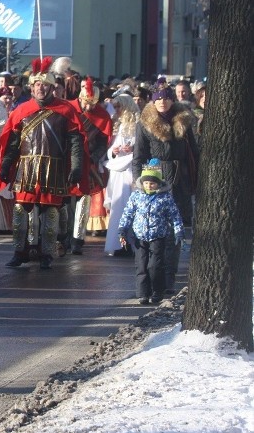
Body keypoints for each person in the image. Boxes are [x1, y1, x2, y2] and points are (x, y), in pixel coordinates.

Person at [0, 56, 86, 270]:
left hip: (53, 169)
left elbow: (76, 142)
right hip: (26, 169)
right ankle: (20, 252)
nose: (41, 89)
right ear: (32, 87)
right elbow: (12, 143)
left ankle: (47, 254)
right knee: (20, 212)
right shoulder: (21, 111)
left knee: (50, 214)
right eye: (37, 85)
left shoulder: (66, 111)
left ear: (51, 87)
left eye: (45, 85)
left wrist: (76, 167)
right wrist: (5, 166)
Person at [132, 79, 198, 296]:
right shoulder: (144, 124)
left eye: (167, 97)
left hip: (179, 181)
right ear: (153, 101)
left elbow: (193, 153)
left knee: (174, 232)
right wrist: (139, 183)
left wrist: (195, 180)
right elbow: (139, 156)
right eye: (159, 98)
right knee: (155, 234)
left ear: (172, 99)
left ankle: (169, 278)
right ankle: (153, 280)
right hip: (154, 181)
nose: (163, 102)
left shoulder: (184, 121)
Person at [117, 160, 184, 305]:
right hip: (139, 238)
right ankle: (143, 294)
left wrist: (179, 232)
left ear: (158, 183)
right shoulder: (136, 196)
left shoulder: (165, 197)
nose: (149, 186)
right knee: (141, 266)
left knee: (154, 266)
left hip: (157, 236)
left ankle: (157, 291)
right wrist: (122, 230)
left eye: (152, 183)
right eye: (146, 183)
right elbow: (127, 214)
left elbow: (174, 216)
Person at [68, 77, 113, 255]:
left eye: (92, 104)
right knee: (65, 201)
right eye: (86, 103)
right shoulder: (69, 108)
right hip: (68, 162)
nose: (88, 108)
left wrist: (94, 157)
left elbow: (103, 142)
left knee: (83, 201)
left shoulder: (102, 115)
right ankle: (63, 235)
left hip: (89, 164)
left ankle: (78, 239)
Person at [103, 91, 140, 256]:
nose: (116, 110)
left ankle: (131, 243)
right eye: (115, 107)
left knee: (130, 206)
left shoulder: (139, 124)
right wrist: (114, 151)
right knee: (119, 207)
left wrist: (133, 149)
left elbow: (143, 146)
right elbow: (112, 148)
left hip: (131, 170)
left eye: (119, 107)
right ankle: (118, 244)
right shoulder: (118, 124)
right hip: (118, 171)